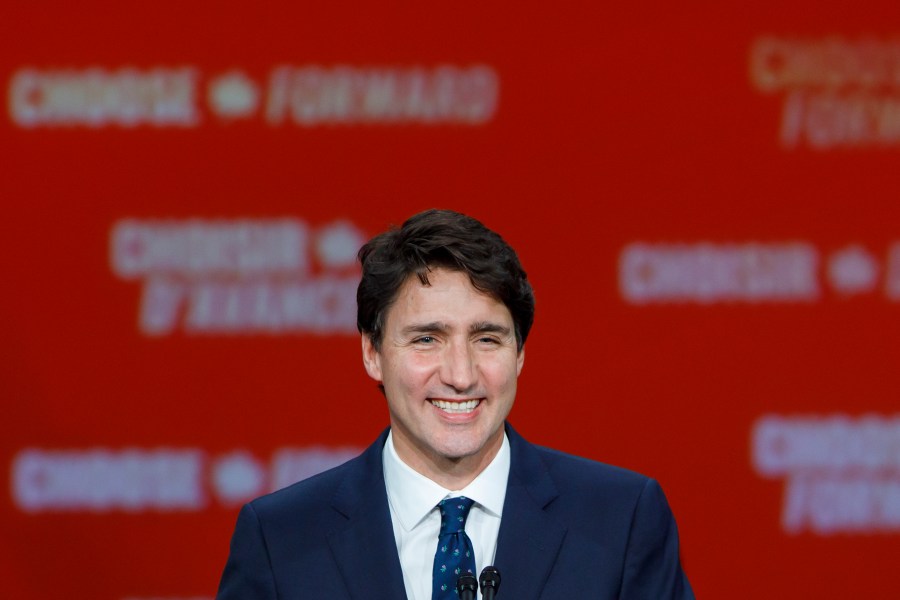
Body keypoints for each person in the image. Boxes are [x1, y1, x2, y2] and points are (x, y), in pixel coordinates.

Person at [216, 209, 694, 599]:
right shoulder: (280, 539)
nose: (461, 376)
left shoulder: (623, 520)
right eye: (427, 339)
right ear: (372, 353)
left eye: (487, 339)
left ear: (520, 353)